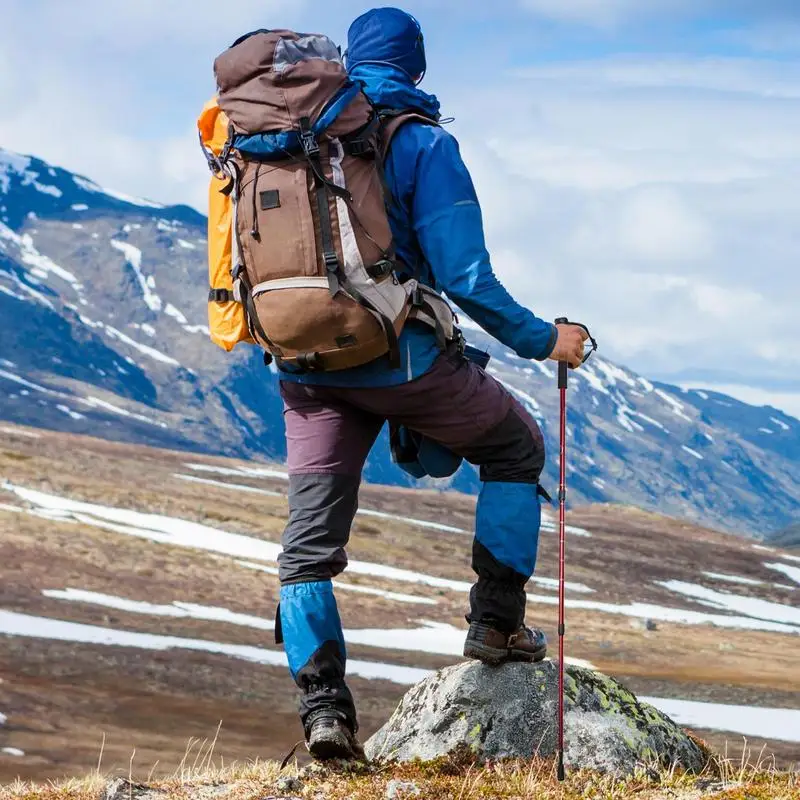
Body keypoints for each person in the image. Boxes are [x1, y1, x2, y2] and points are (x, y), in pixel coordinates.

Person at [276, 7, 589, 760]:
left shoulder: (280, 141)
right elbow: (466, 277)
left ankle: (325, 714)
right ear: (415, 67)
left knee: (307, 551)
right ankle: (496, 624)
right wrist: (546, 340)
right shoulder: (422, 141)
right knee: (515, 449)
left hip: (306, 365)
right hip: (403, 363)